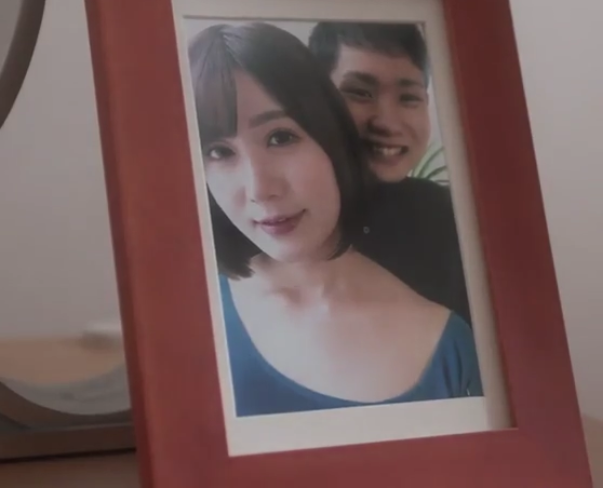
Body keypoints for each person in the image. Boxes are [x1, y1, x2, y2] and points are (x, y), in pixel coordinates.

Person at [188, 22, 482, 417]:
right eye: (219, 152)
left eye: (280, 137)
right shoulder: (191, 312)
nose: (259, 188)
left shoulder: (453, 234)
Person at [307, 23, 472, 326]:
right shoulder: (278, 221)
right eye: (360, 93)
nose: (388, 122)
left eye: (408, 97)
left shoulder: (454, 218)